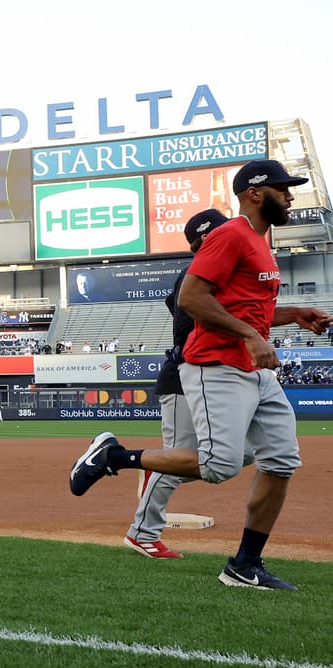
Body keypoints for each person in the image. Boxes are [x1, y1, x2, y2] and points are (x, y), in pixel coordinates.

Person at [69, 160, 331, 590]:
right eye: (282, 188)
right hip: (216, 365)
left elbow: (249, 311)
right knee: (217, 465)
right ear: (254, 193)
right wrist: (250, 335)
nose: (290, 195)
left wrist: (295, 314)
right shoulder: (231, 235)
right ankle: (113, 457)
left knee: (280, 460)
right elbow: (191, 298)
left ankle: (245, 564)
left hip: (254, 369)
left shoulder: (259, 242)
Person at [124, 210, 235, 559]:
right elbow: (188, 327)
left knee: (237, 453)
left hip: (213, 376)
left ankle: (156, 464)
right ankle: (142, 533)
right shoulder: (194, 274)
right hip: (182, 377)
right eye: (224, 232)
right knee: (179, 455)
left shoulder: (218, 272)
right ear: (206, 238)